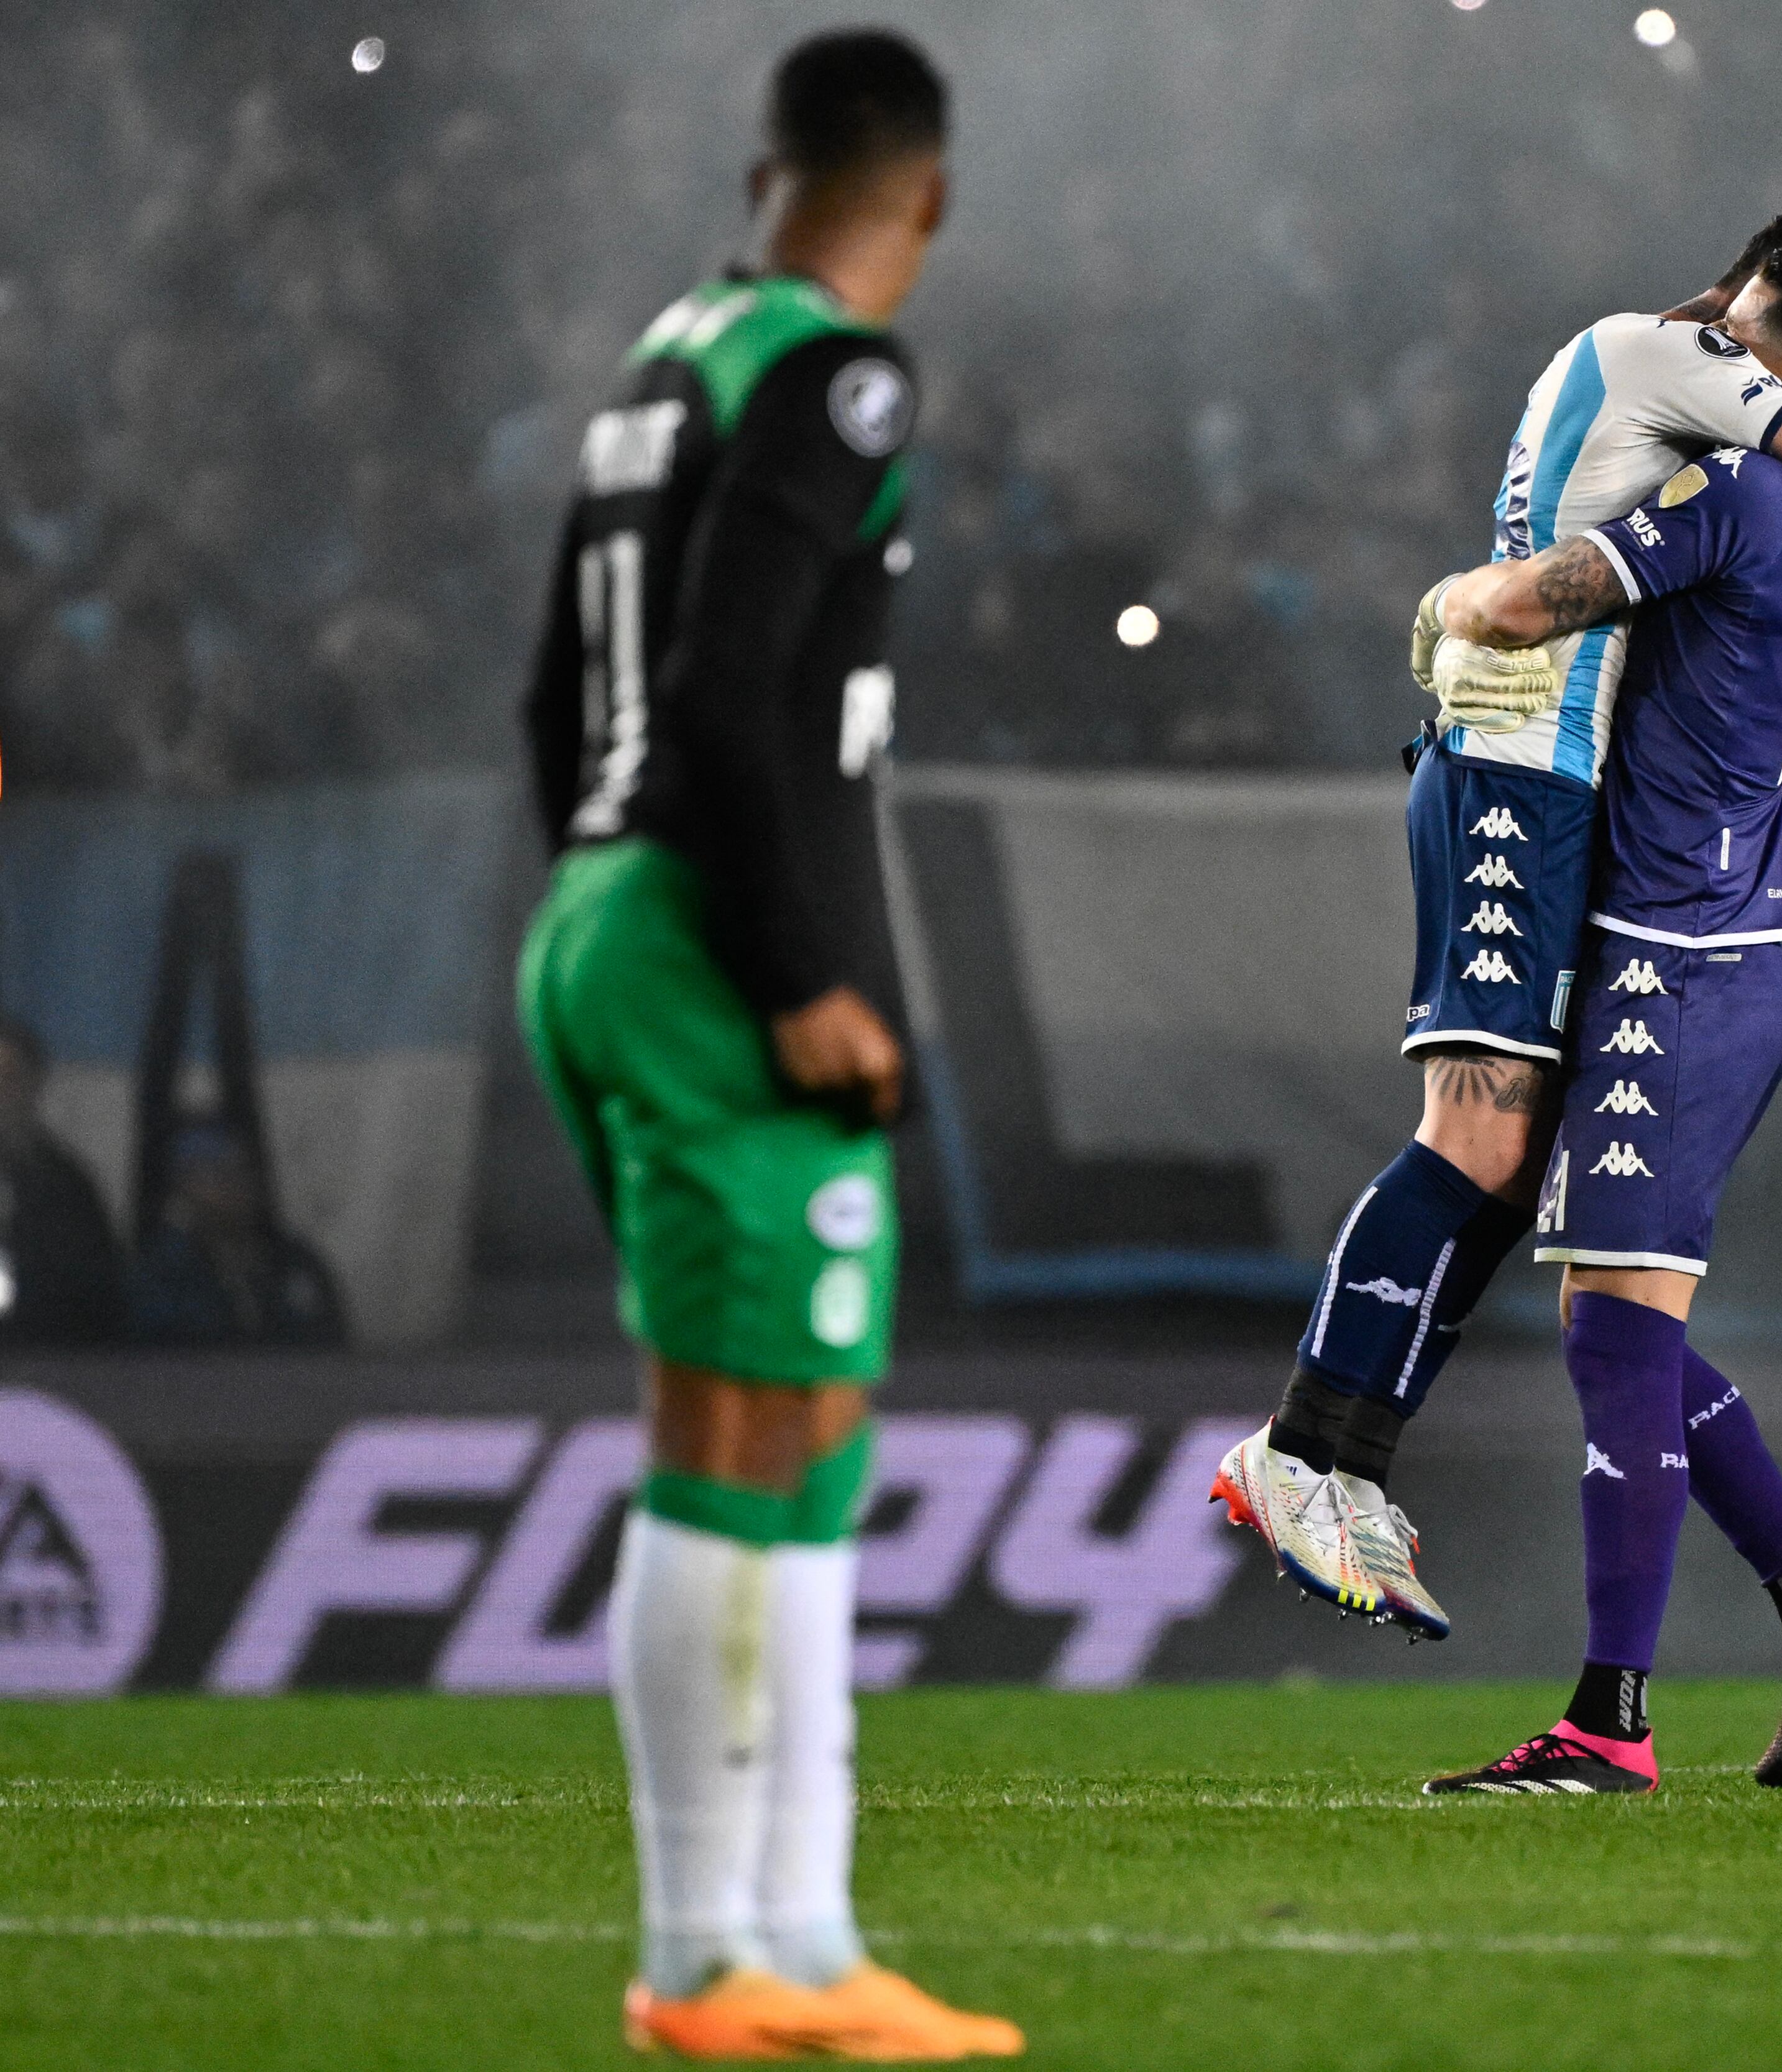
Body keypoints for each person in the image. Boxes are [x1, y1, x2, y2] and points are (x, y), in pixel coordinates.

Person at [514, 30, 1017, 2058]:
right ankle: (728, 1948)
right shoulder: (835, 370)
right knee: (749, 1435)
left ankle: (785, 1943)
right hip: (721, 938)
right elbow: (730, 692)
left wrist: (609, 887)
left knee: (785, 1431)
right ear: (931, 194)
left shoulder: (666, 361)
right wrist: (806, 964)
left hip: (609, 911)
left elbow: (562, 695)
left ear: (767, 168)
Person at [1211, 207, 1782, 1641]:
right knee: (1471, 1134)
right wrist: (1470, 599)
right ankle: (1299, 1446)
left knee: (1515, 1154)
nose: (1780, 428)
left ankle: (1348, 1460)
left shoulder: (1669, 385)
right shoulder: (1676, 351)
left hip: (1557, 783)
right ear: (1768, 322)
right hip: (1512, 772)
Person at [1409, 239, 1782, 1795]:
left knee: (1619, 1335)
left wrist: (1442, 602)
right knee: (1613, 1326)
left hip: (1679, 958)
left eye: (1741, 333)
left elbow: (1522, 610)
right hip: (1712, 944)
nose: (1708, 334)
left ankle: (1609, 1721)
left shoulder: (1742, 494)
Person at [123, 1123, 343, 1346]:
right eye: (216, 1173)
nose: (232, 1186)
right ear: (184, 1186)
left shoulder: (293, 1262)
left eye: (241, 1171)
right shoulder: (163, 1273)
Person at [0, 1017, 126, 1345]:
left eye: (10, 1081)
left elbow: (98, 1290)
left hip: (51, 1362)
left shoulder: (67, 1183)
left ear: (34, 1085)